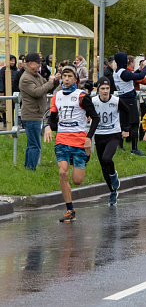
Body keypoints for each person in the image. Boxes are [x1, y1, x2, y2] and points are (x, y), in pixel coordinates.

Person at [44, 65, 100, 222]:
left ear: (75, 79)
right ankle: (70, 210)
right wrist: (47, 126)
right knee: (62, 172)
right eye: (64, 76)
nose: (66, 79)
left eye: (69, 76)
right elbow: (53, 119)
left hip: (79, 140)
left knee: (77, 180)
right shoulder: (57, 96)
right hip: (61, 140)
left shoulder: (82, 96)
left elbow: (95, 118)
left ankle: (84, 158)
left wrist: (89, 137)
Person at [92, 77, 130, 206]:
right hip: (99, 135)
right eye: (102, 88)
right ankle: (113, 191)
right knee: (103, 166)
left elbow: (127, 112)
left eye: (107, 88)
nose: (105, 91)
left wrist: (125, 128)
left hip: (113, 134)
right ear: (98, 90)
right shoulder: (94, 101)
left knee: (107, 158)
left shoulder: (116, 101)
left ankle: (114, 175)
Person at [19, 53, 60, 170]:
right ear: (30, 63)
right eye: (37, 62)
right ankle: (31, 169)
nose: (40, 64)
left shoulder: (36, 75)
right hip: (31, 115)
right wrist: (50, 82)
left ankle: (28, 169)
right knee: (35, 145)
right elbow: (37, 92)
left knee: (32, 144)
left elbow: (48, 88)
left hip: (36, 115)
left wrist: (55, 81)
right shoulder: (26, 78)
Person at [113, 52, 146, 156]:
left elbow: (131, 76)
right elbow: (140, 76)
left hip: (121, 99)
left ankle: (120, 147)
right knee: (134, 123)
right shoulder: (124, 72)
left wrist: (139, 69)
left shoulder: (117, 72)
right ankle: (134, 148)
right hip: (129, 100)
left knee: (122, 123)